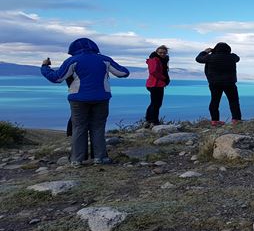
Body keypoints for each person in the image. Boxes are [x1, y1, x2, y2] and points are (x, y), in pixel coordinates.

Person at [41, 38, 130, 167]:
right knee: (98, 127)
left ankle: (77, 159)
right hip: (101, 98)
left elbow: (57, 78)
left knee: (79, 127)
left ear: (72, 50)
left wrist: (45, 67)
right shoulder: (104, 59)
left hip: (78, 99)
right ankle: (100, 158)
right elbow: (123, 73)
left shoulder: (72, 60)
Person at [196, 42, 241, 126]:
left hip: (214, 83)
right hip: (230, 83)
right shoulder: (232, 57)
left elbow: (198, 59)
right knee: (233, 101)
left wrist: (205, 52)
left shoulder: (210, 57)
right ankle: (236, 119)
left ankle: (215, 120)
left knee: (215, 101)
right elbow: (237, 58)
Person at [144, 45, 170, 128]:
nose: (162, 54)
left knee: (154, 103)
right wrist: (164, 79)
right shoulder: (154, 59)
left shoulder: (163, 60)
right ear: (156, 52)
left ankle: (149, 121)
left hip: (157, 84)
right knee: (156, 104)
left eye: (164, 53)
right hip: (155, 84)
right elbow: (153, 71)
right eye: (160, 52)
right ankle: (153, 121)